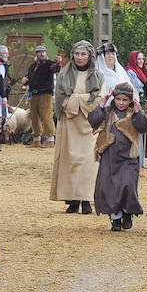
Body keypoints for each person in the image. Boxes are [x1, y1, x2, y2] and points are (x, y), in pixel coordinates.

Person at [87, 81, 147, 231]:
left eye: (125, 100)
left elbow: (145, 127)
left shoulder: (133, 114)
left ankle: (127, 213)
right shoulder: (108, 112)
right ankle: (115, 218)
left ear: (130, 101)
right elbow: (92, 120)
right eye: (118, 99)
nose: (121, 103)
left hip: (128, 157)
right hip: (109, 156)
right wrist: (101, 105)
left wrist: (138, 111)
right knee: (110, 188)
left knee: (127, 185)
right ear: (113, 99)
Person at [49, 40, 102, 214]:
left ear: (89, 56)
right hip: (70, 123)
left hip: (89, 124)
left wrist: (77, 99)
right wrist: (75, 101)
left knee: (88, 162)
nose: (79, 57)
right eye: (77, 54)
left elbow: (99, 98)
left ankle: (86, 199)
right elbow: (60, 97)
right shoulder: (65, 74)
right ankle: (72, 200)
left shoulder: (97, 75)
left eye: (83, 54)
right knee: (70, 161)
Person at [20, 44, 58, 148]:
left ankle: (50, 140)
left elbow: (56, 68)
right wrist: (25, 81)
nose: (41, 54)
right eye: (39, 52)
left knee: (46, 116)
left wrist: (58, 63)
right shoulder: (32, 66)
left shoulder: (49, 64)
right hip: (34, 94)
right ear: (36, 54)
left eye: (43, 52)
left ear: (45, 53)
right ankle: (36, 140)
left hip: (46, 94)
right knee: (34, 117)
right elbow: (30, 80)